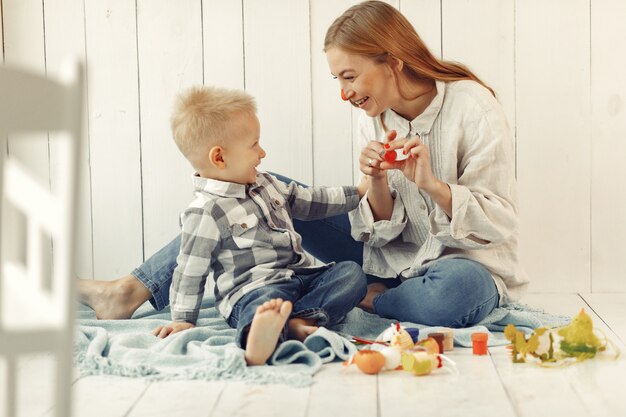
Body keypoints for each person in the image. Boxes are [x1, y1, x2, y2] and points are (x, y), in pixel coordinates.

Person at [79, 0, 528, 335]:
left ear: (392, 61)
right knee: (258, 190)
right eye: (338, 80)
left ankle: (372, 297)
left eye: (349, 77)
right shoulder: (371, 116)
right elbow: (379, 227)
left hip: (460, 264)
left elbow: (500, 222)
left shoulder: (473, 107)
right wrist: (373, 182)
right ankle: (129, 291)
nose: (344, 93)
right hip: (384, 259)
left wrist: (432, 185)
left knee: (458, 293)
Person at [89, 85, 368, 366]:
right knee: (260, 305)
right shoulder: (205, 212)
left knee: (350, 274)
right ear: (219, 158)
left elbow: (310, 199)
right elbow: (190, 270)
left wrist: (357, 192)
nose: (262, 152)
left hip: (299, 278)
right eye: (253, 145)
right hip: (253, 290)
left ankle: (295, 321)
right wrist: (183, 320)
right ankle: (257, 339)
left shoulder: (266, 183)